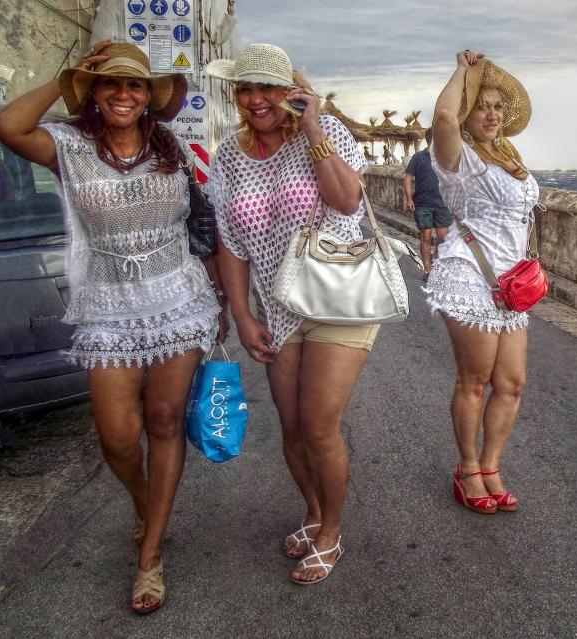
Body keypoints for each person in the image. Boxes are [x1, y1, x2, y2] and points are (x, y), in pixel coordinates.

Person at [0, 41, 226, 613]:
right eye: (110, 84)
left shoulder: (170, 148)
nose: (124, 94)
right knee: (117, 437)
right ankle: (146, 504)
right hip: (108, 305)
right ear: (94, 92)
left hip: (178, 297)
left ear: (149, 98)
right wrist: (68, 71)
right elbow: (7, 124)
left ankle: (150, 556)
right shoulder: (69, 146)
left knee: (165, 419)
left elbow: (207, 222)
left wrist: (224, 302)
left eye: (135, 85)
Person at [205, 43, 370, 584]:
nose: (257, 100)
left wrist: (316, 129)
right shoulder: (229, 154)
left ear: (291, 91)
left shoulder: (324, 135)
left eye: (268, 89)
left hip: (336, 300)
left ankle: (331, 533)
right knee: (292, 427)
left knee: (320, 425)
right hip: (277, 306)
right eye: (246, 89)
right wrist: (243, 313)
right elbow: (230, 241)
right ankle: (314, 511)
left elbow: (348, 201)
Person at [426, 50, 537, 514]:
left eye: (497, 106)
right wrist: (463, 72)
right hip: (470, 275)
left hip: (510, 283)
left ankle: (491, 466)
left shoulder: (509, 155)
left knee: (511, 383)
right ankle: (467, 467)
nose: (491, 114)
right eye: (482, 105)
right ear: (468, 115)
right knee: (475, 380)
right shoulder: (458, 158)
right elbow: (443, 115)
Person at [404, 128, 452, 276]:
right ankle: (427, 268)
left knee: (443, 236)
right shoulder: (418, 157)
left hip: (442, 203)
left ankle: (434, 258)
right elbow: (407, 177)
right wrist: (409, 198)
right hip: (422, 203)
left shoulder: (445, 158)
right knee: (425, 235)